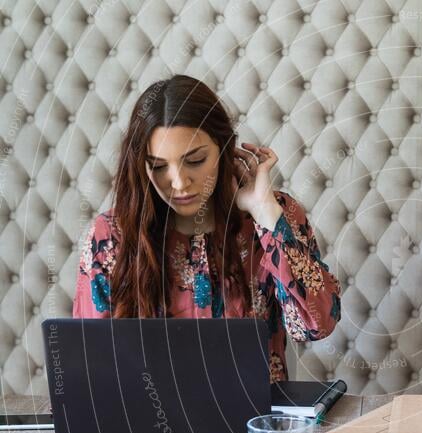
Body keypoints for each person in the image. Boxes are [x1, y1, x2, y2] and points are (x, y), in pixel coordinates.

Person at [73, 75, 341, 382]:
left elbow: (315, 325)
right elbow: (92, 364)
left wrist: (266, 214)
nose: (178, 182)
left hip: (252, 423)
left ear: (224, 149)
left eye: (195, 160)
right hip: (147, 423)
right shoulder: (110, 236)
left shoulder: (272, 216)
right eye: (158, 167)